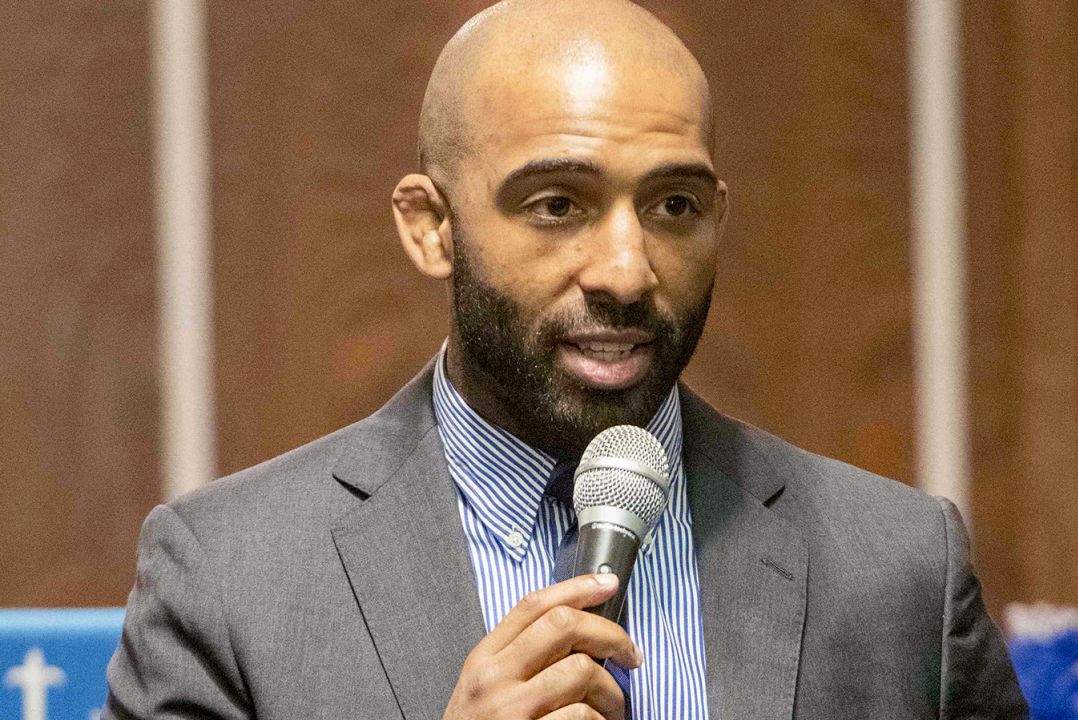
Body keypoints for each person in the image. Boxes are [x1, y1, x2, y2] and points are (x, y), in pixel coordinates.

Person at [105, 1, 1028, 718]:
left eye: (673, 206)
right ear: (431, 228)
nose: (627, 271)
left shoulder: (900, 568)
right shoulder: (231, 579)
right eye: (556, 205)